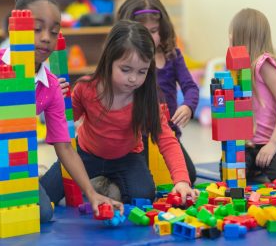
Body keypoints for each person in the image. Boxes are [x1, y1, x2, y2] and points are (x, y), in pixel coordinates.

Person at [0, 0, 123, 222]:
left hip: (14, 170)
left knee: (42, 214)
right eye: (37, 29)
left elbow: (65, 146)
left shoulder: (51, 86)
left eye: (54, 32)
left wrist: (91, 193)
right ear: (16, 29)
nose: (46, 38)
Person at [42, 19, 197, 207]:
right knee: (46, 192)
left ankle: (104, 184)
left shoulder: (146, 98)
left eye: (142, 71)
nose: (133, 78)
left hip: (127, 158)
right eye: (125, 69)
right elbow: (65, 121)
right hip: (86, 154)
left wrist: (181, 181)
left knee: (144, 196)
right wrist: (57, 99)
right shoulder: (86, 88)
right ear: (109, 61)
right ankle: (96, 183)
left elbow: (166, 138)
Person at [117, 0, 199, 185]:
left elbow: (191, 87)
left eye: (153, 31)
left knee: (189, 175)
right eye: (142, 32)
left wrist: (188, 106)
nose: (149, 38)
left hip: (166, 135)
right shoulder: (125, 61)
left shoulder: (172, 55)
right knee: (143, 182)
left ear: (163, 29)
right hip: (136, 139)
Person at [229, 8, 276, 188]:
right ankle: (257, 166)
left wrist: (273, 143)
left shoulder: (264, 64)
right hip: (247, 143)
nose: (229, 39)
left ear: (242, 37)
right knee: (229, 173)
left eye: (232, 35)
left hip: (269, 142)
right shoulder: (238, 68)